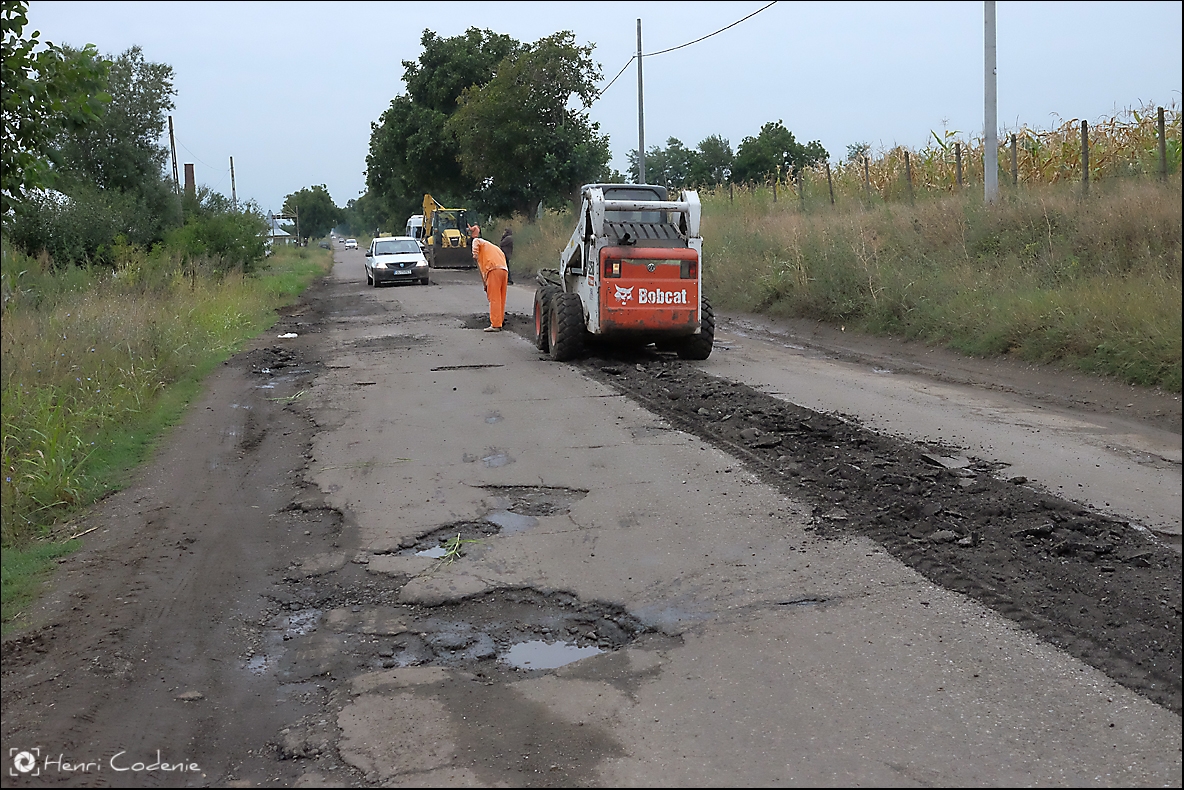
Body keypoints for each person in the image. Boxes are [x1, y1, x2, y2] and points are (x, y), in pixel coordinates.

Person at [468, 225, 508, 332]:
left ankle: (495, 324)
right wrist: (486, 284)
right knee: (500, 298)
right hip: (503, 270)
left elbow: (476, 241)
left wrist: (475, 253)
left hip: (493, 269)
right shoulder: (493, 247)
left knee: (494, 298)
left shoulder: (478, 241)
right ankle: (499, 321)